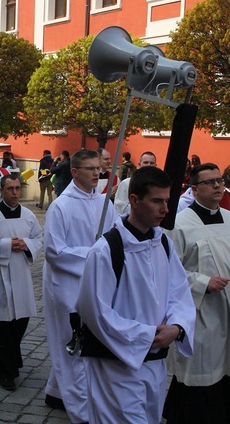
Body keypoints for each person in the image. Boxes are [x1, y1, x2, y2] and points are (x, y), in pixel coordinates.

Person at [76, 166, 195, 423]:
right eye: (157, 201)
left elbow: (179, 292)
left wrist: (177, 326)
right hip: (115, 364)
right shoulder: (106, 250)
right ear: (134, 200)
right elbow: (95, 312)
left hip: (154, 363)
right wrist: (145, 335)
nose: (165, 209)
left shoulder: (163, 243)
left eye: (167, 201)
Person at [163, 163, 230, 424]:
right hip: (203, 312)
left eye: (219, 180)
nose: (218, 185)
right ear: (194, 189)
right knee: (202, 372)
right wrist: (202, 282)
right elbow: (168, 272)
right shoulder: (180, 224)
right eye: (210, 182)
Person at [42, 148, 117, 422]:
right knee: (72, 345)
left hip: (96, 284)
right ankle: (81, 409)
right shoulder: (61, 205)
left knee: (84, 344)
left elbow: (116, 236)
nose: (97, 172)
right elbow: (54, 252)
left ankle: (55, 392)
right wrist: (94, 254)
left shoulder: (106, 203)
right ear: (75, 172)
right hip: (67, 285)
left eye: (98, 168)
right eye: (90, 168)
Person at [0, 174, 43, 391]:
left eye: (17, 188)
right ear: (1, 191)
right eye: (10, 189)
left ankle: (11, 359)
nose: (15, 192)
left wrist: (26, 244)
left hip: (20, 275)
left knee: (19, 322)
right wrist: (6, 245)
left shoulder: (29, 215)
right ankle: (4, 371)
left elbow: (39, 238)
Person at [114, 151, 157, 216]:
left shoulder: (158, 186)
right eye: (145, 162)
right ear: (139, 165)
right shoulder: (126, 183)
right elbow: (119, 208)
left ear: (155, 166)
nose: (148, 165)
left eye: (151, 163)